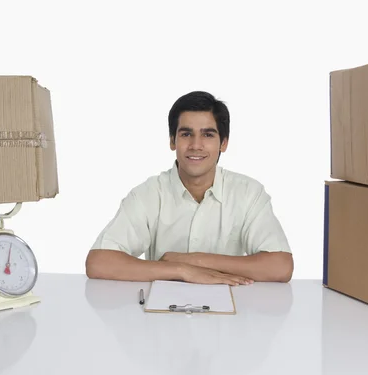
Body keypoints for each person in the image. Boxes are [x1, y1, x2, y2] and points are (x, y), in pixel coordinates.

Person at [85, 91, 293, 285]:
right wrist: (182, 270)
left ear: (224, 143)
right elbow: (98, 262)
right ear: (172, 141)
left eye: (208, 135)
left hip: (230, 316)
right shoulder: (148, 194)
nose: (196, 145)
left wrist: (197, 261)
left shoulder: (249, 193)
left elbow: (280, 266)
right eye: (186, 134)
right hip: (160, 318)